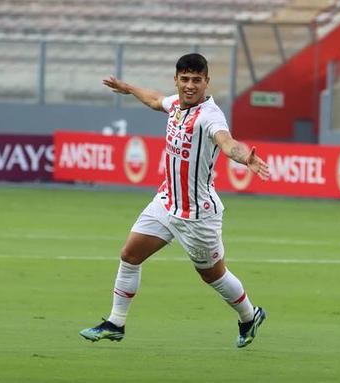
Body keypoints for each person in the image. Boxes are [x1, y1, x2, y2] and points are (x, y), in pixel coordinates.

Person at [79, 53, 269, 348]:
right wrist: (128, 88)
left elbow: (227, 143)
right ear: (176, 80)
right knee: (130, 255)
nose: (190, 86)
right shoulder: (176, 105)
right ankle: (116, 323)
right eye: (185, 80)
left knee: (214, 277)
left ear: (207, 82)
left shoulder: (210, 115)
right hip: (166, 201)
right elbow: (156, 100)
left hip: (197, 215)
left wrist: (246, 158)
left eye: (196, 80)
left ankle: (249, 315)